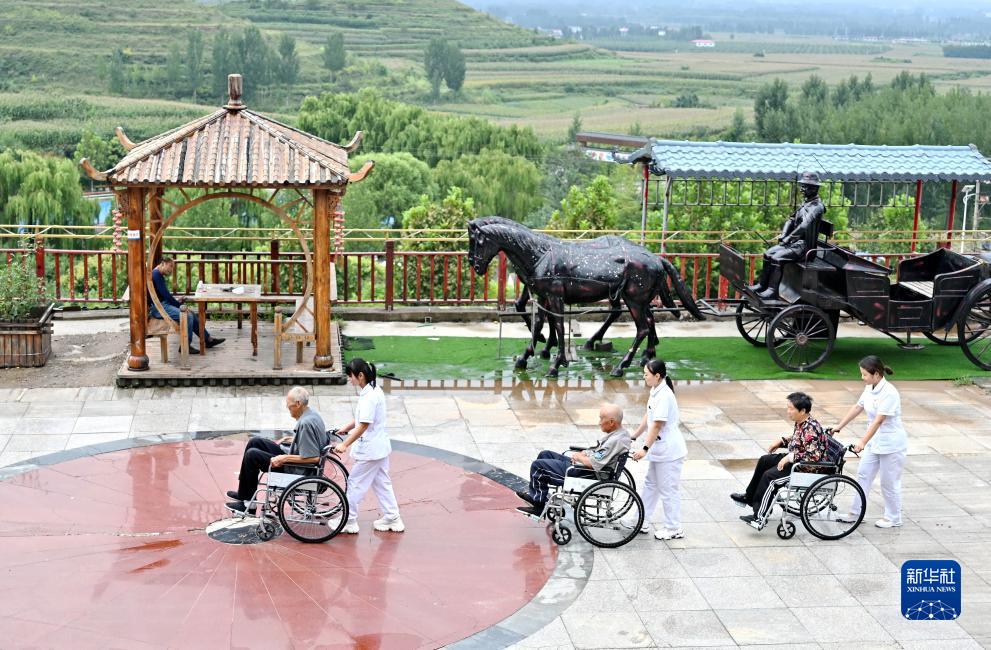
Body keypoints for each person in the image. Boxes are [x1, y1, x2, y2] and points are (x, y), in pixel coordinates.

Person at [731, 392, 828, 530]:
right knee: (764, 461)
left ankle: (759, 517)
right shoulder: (802, 422)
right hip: (796, 461)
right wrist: (781, 441)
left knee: (770, 477)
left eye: (791, 408)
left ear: (802, 411)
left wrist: (789, 458)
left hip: (806, 468)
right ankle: (750, 497)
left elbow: (813, 456)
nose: (788, 411)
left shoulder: (811, 428)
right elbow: (798, 440)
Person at [516, 403, 630, 516]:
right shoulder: (619, 434)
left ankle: (538, 506)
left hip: (588, 474)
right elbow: (597, 452)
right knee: (545, 454)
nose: (599, 422)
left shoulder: (615, 441)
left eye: (601, 419)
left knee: (538, 466)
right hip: (587, 469)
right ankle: (538, 496)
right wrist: (583, 453)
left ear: (611, 422)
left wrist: (579, 457)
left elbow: (593, 463)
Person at [226, 386, 327, 513]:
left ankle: (249, 505)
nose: (287, 407)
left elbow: (314, 458)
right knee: (255, 442)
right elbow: (312, 441)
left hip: (297, 470)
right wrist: (294, 439)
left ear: (298, 403)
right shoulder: (312, 414)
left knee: (252, 455)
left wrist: (284, 458)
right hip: (296, 461)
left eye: (289, 405)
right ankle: (244, 493)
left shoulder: (306, 423)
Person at [834, 355, 908, 528]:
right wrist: (839, 426)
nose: (862, 378)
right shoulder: (870, 387)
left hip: (891, 444)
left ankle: (893, 518)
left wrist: (862, 442)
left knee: (889, 482)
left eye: (864, 374)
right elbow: (857, 407)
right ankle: (855, 513)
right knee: (863, 475)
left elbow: (879, 420)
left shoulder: (890, 393)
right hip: (874, 442)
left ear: (876, 374)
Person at [335, 357, 404, 534]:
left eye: (351, 376)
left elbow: (364, 425)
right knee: (382, 483)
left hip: (371, 450)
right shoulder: (373, 390)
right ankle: (393, 517)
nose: (349, 379)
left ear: (360, 376)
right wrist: (346, 428)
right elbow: (361, 419)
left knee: (355, 483)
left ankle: (349, 520)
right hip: (379, 447)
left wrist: (345, 444)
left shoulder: (369, 397)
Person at [631, 359, 687, 540]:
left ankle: (674, 528)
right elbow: (649, 414)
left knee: (668, 490)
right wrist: (635, 435)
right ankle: (641, 520)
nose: (644, 377)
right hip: (661, 450)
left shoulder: (665, 395)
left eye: (646, 374)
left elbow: (656, 425)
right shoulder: (656, 390)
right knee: (651, 485)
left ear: (657, 375)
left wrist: (644, 449)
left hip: (670, 452)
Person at [749, 171, 826, 299]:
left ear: (814, 188)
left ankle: (772, 291)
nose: (801, 189)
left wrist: (789, 238)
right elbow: (791, 219)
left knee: (777, 258)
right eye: (802, 186)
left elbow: (804, 225)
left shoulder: (817, 207)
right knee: (768, 254)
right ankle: (762, 285)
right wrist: (784, 235)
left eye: (805, 186)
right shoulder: (806, 203)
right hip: (794, 243)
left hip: (804, 247)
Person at [149, 257, 223, 354]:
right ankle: (185, 345)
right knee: (188, 316)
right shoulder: (156, 275)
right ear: (163, 263)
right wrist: (178, 305)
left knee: (192, 314)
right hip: (159, 308)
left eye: (173, 267)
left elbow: (163, 295)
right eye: (170, 266)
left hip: (162, 305)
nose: (171, 270)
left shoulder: (157, 274)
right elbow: (166, 295)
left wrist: (177, 302)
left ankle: (208, 339)